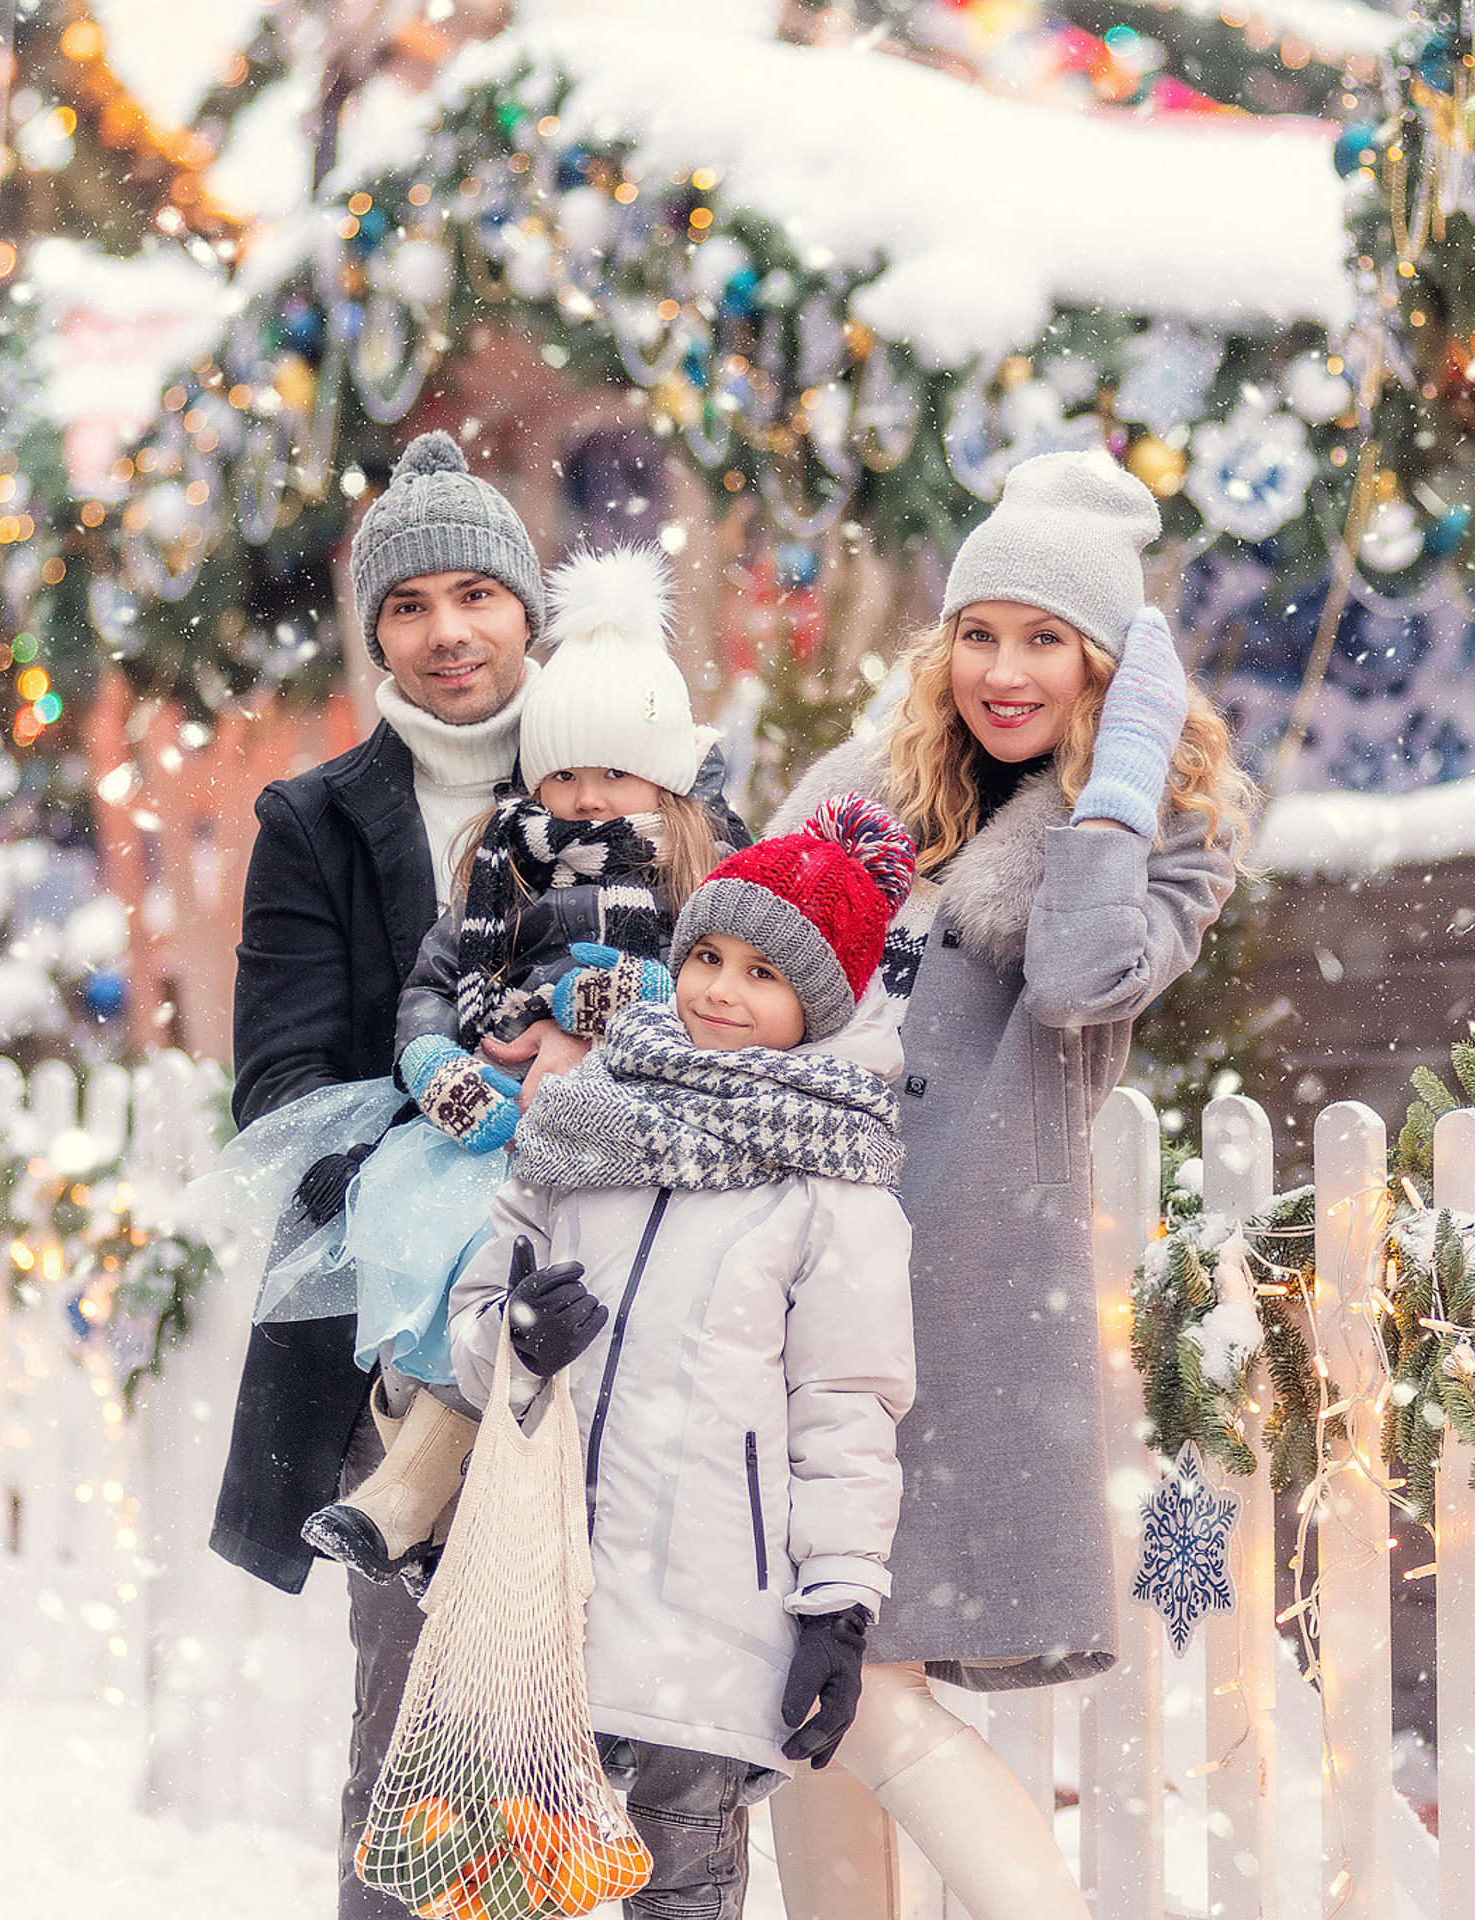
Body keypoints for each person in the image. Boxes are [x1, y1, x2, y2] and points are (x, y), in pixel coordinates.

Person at [207, 428, 743, 1920]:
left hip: (647, 1316)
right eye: (408, 605)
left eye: (476, 596)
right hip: (428, 1329)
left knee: (660, 1749)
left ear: (528, 607)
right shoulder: (318, 827)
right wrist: (486, 1104)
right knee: (425, 1749)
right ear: (373, 629)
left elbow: (757, 996)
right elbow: (283, 1090)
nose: (447, 633)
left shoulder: (649, 761)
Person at [764, 451, 1253, 1919]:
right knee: (795, 1675)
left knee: (855, 1671)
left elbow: (1078, 974)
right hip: (790, 1253)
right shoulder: (863, 794)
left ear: (1112, 663)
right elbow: (735, 972)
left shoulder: (1171, 831)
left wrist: (1111, 792)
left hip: (961, 1281)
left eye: (1048, 638)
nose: (1003, 669)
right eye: (979, 631)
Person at [446, 795, 919, 1920]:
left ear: (817, 1003)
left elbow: (845, 1409)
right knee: (505, 1890)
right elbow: (475, 1307)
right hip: (546, 1605)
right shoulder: (582, 1125)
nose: (718, 989)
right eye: (705, 954)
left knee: (682, 1894)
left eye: (763, 973)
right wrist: (512, 1343)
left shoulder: (833, 1185)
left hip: (714, 1616)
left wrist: (839, 1606)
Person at [283, 543, 731, 1589]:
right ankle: (424, 1516)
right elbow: (439, 976)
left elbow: (723, 991)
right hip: (491, 1136)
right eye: (562, 772)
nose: (581, 798)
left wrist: (630, 1009)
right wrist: (434, 1061)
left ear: (663, 780)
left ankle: (413, 1512)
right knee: (437, 1279)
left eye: (612, 772)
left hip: (621, 1149)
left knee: (524, 1312)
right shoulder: (502, 865)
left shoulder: (693, 877)